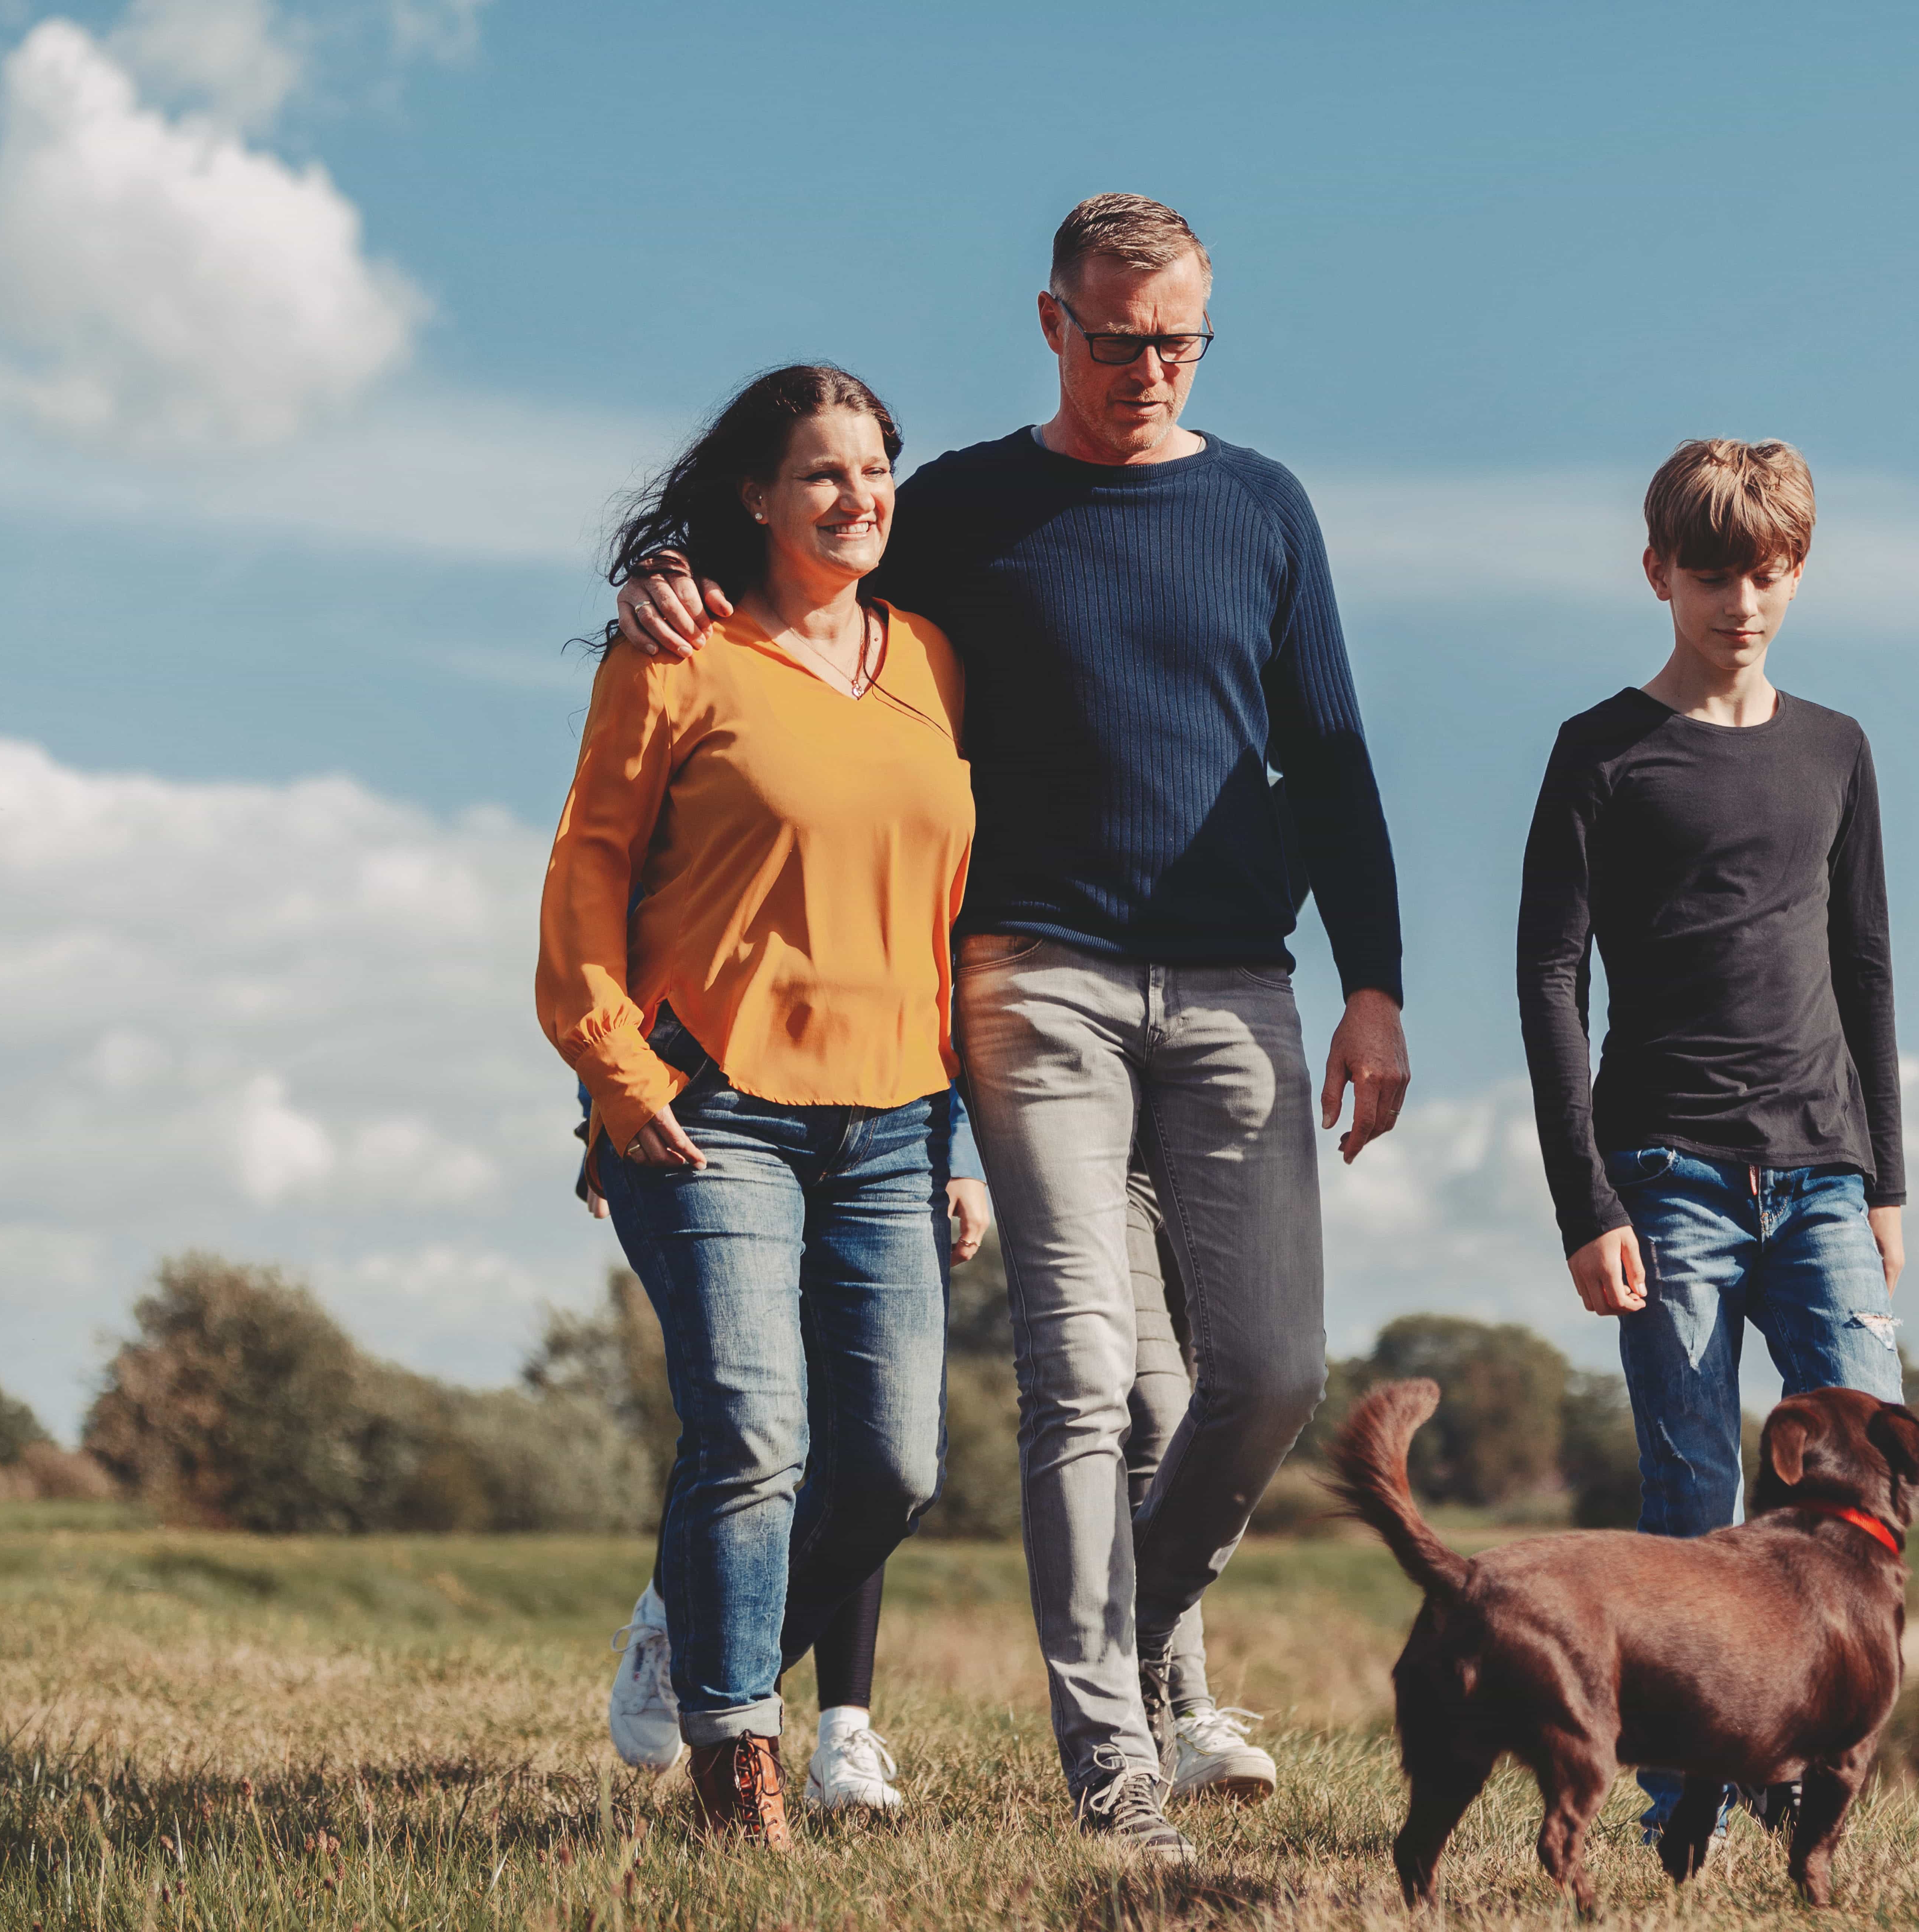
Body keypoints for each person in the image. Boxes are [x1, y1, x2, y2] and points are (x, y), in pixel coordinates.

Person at [613, 193, 1405, 1862]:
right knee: (1083, 1373)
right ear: (1053, 322)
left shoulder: (1263, 507)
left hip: (1236, 978)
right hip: (1031, 980)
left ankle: (1140, 1647)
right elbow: (801, 570)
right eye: (1117, 339)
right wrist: (663, 574)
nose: (1147, 368)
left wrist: (1378, 981)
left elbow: (1328, 755)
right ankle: (1116, 1768)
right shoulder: (965, 505)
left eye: (1178, 340)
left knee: (1262, 1375)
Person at [538, 363, 985, 1850]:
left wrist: (966, 1141)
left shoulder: (930, 659)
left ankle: (690, 1625)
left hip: (900, 1117)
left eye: (876, 470)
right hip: (708, 1103)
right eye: (822, 474)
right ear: (756, 495)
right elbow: (588, 872)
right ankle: (740, 1761)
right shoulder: (680, 652)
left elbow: (954, 918)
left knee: (899, 1463)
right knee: (752, 1431)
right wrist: (616, 1068)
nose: (859, 497)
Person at [1514, 438, 1907, 1850]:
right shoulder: (1599, 752)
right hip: (1663, 1178)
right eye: (1710, 573)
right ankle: (1680, 1802)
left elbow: (1864, 970)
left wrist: (1885, 1182)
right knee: (1688, 1494)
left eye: (1767, 571)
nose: (1740, 599)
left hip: (1822, 1178)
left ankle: (1809, 1782)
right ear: (1655, 574)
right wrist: (1586, 1197)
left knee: (1866, 1485)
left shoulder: (1836, 749)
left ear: (1796, 572)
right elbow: (1548, 981)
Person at [604, 1161, 1281, 1809]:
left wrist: (955, 1152)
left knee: (880, 1456)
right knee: (755, 1419)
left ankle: (830, 1725)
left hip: (893, 1120)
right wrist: (602, 1107)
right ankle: (699, 1640)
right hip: (722, 1122)